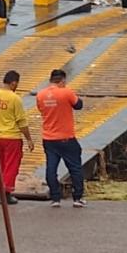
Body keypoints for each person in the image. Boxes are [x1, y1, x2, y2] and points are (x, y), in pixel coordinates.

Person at [35, 68, 85, 208]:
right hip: (66, 138)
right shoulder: (66, 92)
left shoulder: (41, 95)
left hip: (49, 139)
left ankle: (55, 198)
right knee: (75, 168)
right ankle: (77, 198)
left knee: (51, 168)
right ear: (62, 80)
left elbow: (40, 109)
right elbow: (79, 105)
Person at [0, 70, 35, 205]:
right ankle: (6, 193)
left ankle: (0, 190)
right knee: (11, 166)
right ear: (13, 83)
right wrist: (29, 139)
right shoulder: (15, 98)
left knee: (0, 165)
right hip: (12, 138)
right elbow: (21, 121)